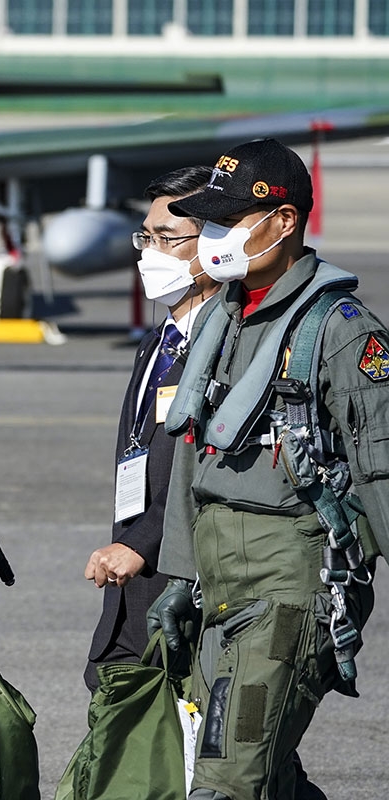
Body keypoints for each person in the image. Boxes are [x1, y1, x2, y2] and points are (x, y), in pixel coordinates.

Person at [149, 138, 389, 800]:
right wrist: (180, 577)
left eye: (229, 221)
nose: (214, 236)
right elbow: (192, 456)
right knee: (262, 776)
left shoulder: (340, 331)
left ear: (283, 222)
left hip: (289, 580)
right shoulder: (222, 320)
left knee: (227, 782)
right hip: (218, 577)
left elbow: (382, 472)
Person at [82, 165, 219, 691]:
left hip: (187, 585)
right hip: (133, 584)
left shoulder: (228, 347)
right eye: (146, 236)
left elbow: (203, 474)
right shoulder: (158, 340)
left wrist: (141, 543)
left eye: (167, 238)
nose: (149, 252)